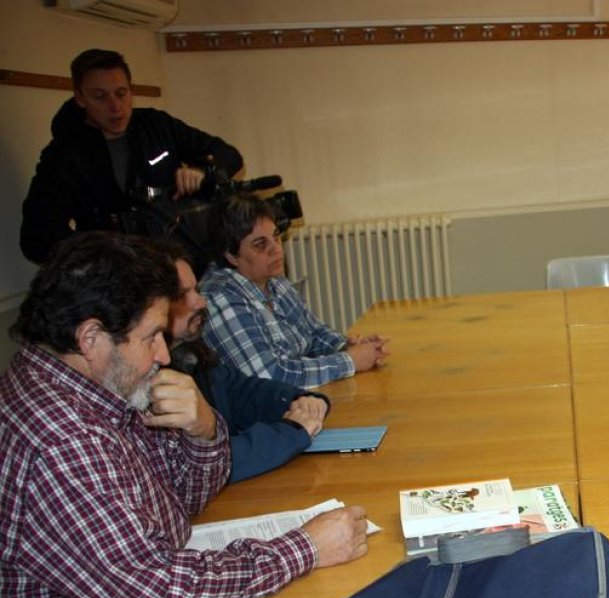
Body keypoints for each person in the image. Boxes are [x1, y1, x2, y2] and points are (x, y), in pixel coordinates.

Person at [0, 232, 368, 598]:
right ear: (91, 337)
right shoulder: (62, 439)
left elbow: (182, 500)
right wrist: (305, 548)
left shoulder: (93, 388)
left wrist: (205, 430)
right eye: (152, 336)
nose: (162, 353)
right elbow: (159, 595)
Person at [20, 48, 244, 265]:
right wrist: (100, 251)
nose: (115, 106)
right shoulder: (63, 155)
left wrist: (204, 172)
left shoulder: (157, 126)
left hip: (185, 260)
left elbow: (229, 155)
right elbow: (38, 238)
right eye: (100, 97)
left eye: (121, 93)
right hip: (122, 279)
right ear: (80, 98)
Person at [148, 237, 331, 482]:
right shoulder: (147, 381)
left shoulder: (191, 355)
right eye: (182, 295)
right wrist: (293, 431)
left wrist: (302, 400)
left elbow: (246, 392)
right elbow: (208, 466)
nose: (200, 302)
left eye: (196, 290)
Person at [200, 194, 388, 388]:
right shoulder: (220, 298)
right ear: (231, 255)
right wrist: (350, 361)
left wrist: (347, 347)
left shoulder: (272, 278)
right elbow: (270, 377)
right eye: (260, 244)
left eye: (275, 237)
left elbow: (313, 333)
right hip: (261, 414)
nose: (276, 249)